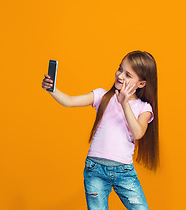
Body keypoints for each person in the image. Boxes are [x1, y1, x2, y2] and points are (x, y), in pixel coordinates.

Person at [41, 50, 159, 210]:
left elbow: (138, 133)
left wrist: (124, 104)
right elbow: (69, 101)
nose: (120, 76)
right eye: (120, 69)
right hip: (94, 168)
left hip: (124, 172)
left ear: (142, 84)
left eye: (128, 75)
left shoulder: (144, 108)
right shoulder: (102, 96)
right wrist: (52, 90)